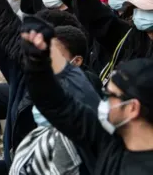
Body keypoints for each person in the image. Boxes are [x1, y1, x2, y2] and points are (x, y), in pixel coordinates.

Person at [21, 17, 153, 174]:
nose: (103, 101)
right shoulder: (109, 140)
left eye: (109, 95)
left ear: (132, 107)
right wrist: (38, 61)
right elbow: (57, 106)